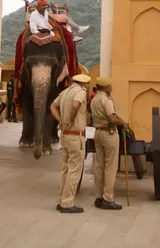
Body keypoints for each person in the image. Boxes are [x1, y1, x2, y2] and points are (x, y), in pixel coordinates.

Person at [50, 73, 90, 213]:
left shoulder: (65, 92)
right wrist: (71, 119)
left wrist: (60, 120)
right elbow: (75, 105)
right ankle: (67, 203)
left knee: (65, 169)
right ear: (84, 84)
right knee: (74, 170)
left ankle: (61, 200)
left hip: (65, 136)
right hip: (75, 136)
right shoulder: (80, 92)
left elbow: (52, 106)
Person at [90, 76, 128, 210]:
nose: (111, 88)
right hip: (109, 133)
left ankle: (99, 197)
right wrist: (123, 123)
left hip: (98, 133)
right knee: (111, 166)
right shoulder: (106, 100)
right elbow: (112, 118)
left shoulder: (94, 99)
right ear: (106, 87)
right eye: (110, 86)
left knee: (99, 166)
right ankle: (108, 198)